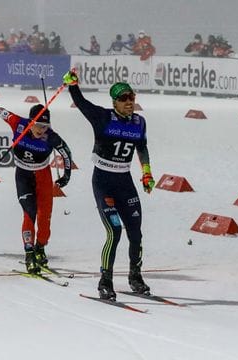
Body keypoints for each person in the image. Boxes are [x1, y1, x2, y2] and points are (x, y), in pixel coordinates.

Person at [62, 69, 155, 301]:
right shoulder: (102, 117)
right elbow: (82, 103)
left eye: (132, 98)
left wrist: (146, 173)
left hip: (125, 182)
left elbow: (141, 148)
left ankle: (135, 276)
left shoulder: (139, 122)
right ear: (114, 101)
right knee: (114, 232)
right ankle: (106, 280)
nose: (129, 102)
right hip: (103, 181)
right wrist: (72, 85)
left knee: (136, 234)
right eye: (124, 99)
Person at [0, 103, 72, 274]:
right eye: (38, 125)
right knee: (29, 212)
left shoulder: (51, 137)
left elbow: (67, 153)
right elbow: (0, 111)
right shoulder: (18, 123)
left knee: (44, 220)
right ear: (30, 122)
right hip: (23, 175)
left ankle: (40, 247)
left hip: (43, 176)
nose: (41, 130)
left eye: (45, 126)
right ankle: (29, 253)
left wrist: (66, 176)